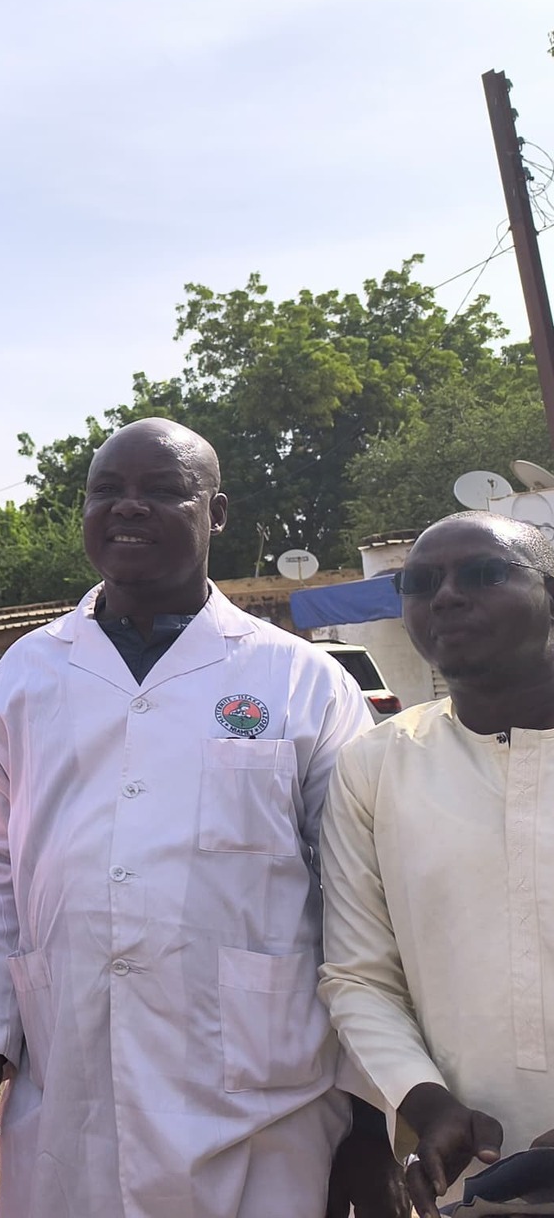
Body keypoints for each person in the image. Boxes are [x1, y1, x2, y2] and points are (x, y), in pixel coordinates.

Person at [0, 418, 392, 1218]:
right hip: (68, 1081)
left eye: (162, 490)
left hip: (262, 1100)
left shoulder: (301, 682)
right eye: (106, 491)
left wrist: (366, 1118)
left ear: (216, 512)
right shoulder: (29, 676)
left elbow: (360, 904)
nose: (128, 508)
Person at [321, 511, 554, 1215]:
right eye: (419, 582)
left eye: (483, 574)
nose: (445, 596)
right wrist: (424, 1100)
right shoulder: (375, 767)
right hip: (476, 1178)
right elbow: (359, 976)